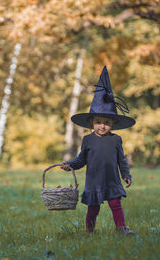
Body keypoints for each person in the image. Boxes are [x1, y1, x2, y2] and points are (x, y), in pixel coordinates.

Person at [61, 66, 135, 234]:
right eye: (98, 122)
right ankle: (89, 230)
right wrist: (70, 165)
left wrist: (126, 175)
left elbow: (121, 160)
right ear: (91, 122)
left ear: (113, 124)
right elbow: (81, 160)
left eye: (107, 122)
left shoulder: (116, 139)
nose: (103, 126)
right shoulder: (87, 140)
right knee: (93, 208)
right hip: (94, 180)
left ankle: (121, 227)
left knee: (116, 205)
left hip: (112, 179)